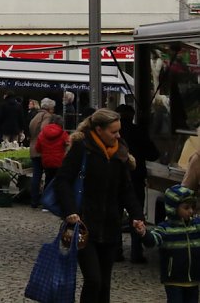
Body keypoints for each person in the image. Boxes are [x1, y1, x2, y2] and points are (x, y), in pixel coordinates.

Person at [56, 109, 146, 303]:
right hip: (84, 226)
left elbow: (126, 189)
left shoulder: (120, 152)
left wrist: (136, 215)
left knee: (104, 285)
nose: (118, 135)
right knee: (94, 280)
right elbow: (62, 181)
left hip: (111, 226)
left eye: (118, 131)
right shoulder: (82, 148)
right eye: (113, 132)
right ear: (99, 129)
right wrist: (70, 211)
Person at [141, 185, 200, 303]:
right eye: (186, 208)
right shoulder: (165, 228)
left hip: (194, 278)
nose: (190, 211)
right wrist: (143, 233)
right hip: (173, 279)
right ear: (173, 208)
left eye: (192, 207)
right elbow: (152, 241)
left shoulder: (196, 226)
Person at [117, 103, 159, 264]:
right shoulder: (139, 131)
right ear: (132, 116)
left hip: (117, 179)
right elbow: (153, 153)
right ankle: (136, 252)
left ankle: (116, 251)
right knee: (136, 214)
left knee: (116, 214)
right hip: (136, 178)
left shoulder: (114, 133)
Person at [28, 97, 56, 208]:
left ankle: (34, 200)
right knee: (48, 175)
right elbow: (45, 131)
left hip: (33, 148)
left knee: (36, 175)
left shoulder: (36, 115)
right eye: (53, 108)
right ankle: (46, 200)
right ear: (49, 108)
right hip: (42, 150)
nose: (53, 110)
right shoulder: (47, 116)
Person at [35, 115, 69, 189]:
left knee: (48, 180)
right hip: (59, 162)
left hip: (46, 162)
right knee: (59, 182)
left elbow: (37, 148)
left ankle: (46, 198)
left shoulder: (42, 134)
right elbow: (68, 146)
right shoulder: (63, 134)